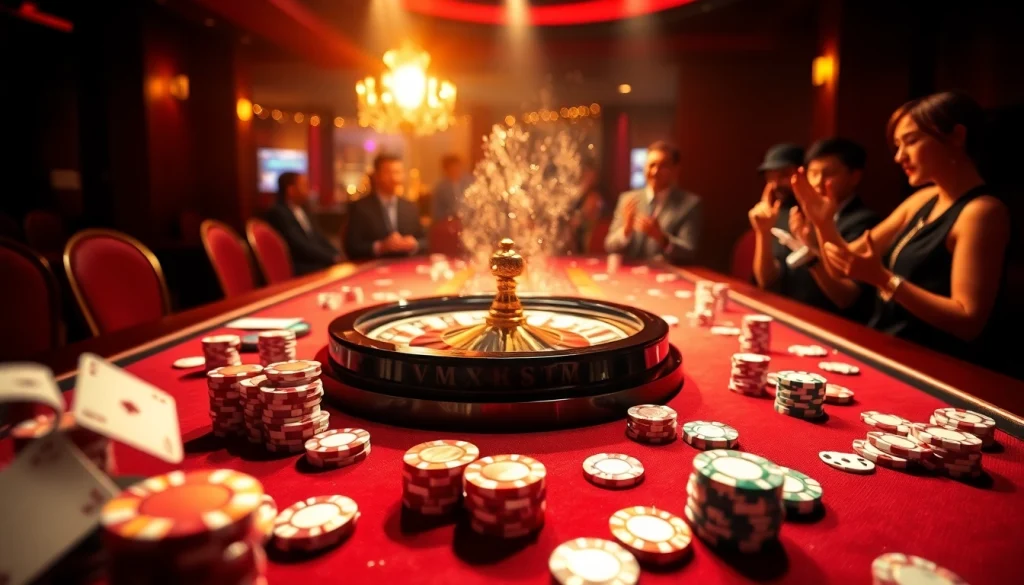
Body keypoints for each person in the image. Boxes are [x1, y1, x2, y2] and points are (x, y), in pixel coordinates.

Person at [792, 91, 1010, 367]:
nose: (899, 157)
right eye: (897, 145)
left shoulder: (981, 212)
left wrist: (885, 280)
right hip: (891, 349)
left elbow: (968, 321)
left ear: (956, 136)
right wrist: (824, 223)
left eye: (911, 141)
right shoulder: (922, 199)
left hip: (939, 366)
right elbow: (842, 265)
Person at [749, 139, 879, 318]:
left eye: (829, 174)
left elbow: (845, 298)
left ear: (854, 177)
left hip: (832, 324)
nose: (818, 182)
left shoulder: (864, 222)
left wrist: (810, 251)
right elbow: (767, 281)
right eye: (813, 173)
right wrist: (762, 233)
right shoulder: (796, 214)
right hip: (791, 315)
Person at [604, 141, 703, 264]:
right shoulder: (628, 199)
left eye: (663, 166)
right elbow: (609, 246)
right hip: (628, 276)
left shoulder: (690, 204)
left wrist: (662, 238)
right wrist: (626, 230)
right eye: (651, 165)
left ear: (675, 170)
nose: (655, 172)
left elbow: (689, 252)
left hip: (668, 277)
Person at [344, 153, 427, 260]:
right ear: (376, 176)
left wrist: (414, 244)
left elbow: (425, 241)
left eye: (398, 172)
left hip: (406, 267)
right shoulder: (360, 208)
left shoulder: (410, 207)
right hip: (372, 267)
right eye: (388, 172)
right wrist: (381, 246)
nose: (394, 178)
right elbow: (352, 247)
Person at [264, 172, 341, 275]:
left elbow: (319, 237)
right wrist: (331, 258)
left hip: (316, 262)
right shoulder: (278, 213)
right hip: (300, 267)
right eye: (304, 185)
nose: (308, 190)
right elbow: (299, 245)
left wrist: (336, 254)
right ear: (291, 190)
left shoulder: (305, 209)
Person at [431, 154, 471, 223]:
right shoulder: (440, 188)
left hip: (470, 221)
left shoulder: (470, 183)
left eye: (457, 166)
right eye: (452, 168)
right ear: (446, 170)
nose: (455, 170)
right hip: (449, 223)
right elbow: (436, 213)